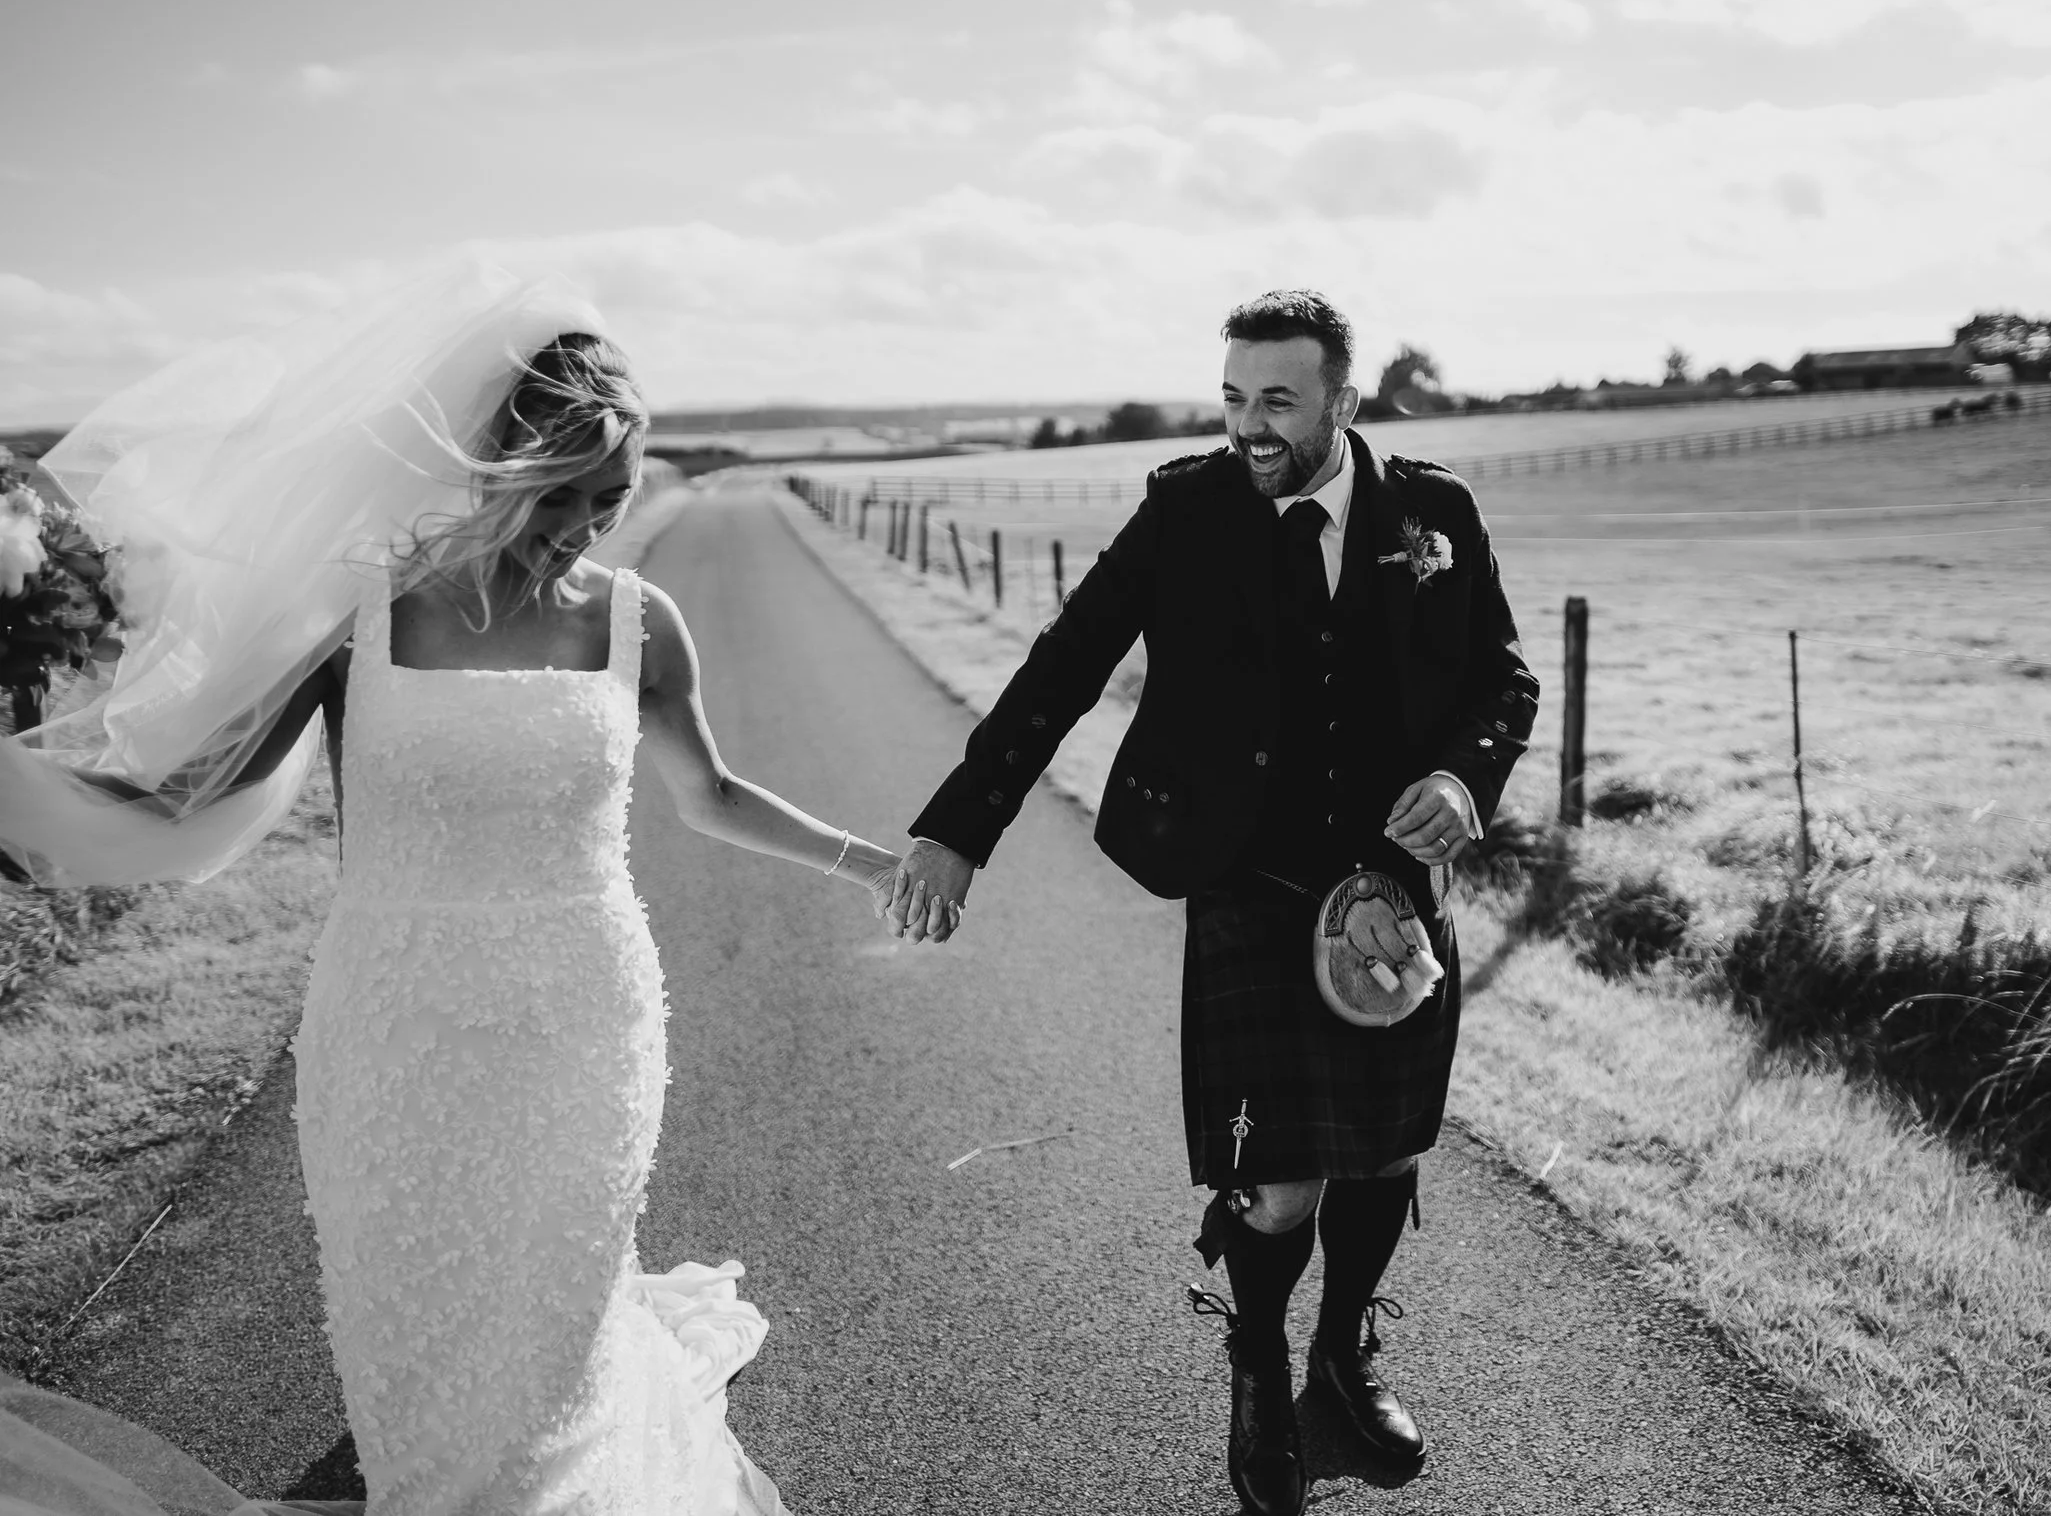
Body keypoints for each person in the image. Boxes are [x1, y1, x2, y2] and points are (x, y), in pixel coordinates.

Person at [0, 263, 906, 1514]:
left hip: (582, 1016)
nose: (586, 524)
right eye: (564, 497)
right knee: (412, 1316)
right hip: (393, 1014)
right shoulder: (351, 617)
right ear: (497, 471)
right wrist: (28, 784)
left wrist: (877, 861)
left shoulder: (641, 622)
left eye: (615, 495)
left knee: (553, 1322)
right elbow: (195, 793)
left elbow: (716, 794)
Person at [882, 289, 1538, 1515]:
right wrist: (959, 827)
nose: (1249, 422)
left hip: (1393, 880)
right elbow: (1064, 665)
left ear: (1345, 402)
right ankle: (1259, 1355)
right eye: (1233, 395)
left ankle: (1345, 1349)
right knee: (1280, 1176)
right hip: (1248, 875)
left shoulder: (1431, 510)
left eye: (1277, 399)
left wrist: (1463, 773)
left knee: (1389, 1147)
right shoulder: (1184, 510)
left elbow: (1503, 674)